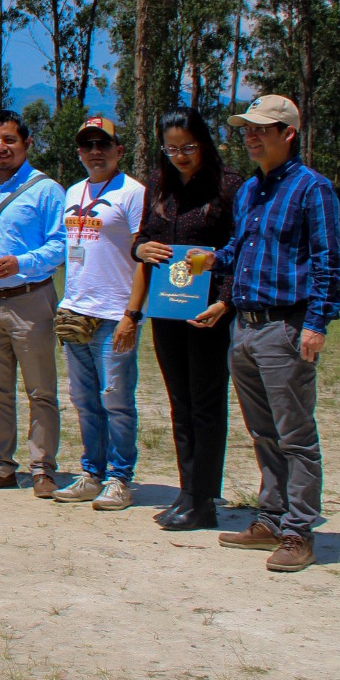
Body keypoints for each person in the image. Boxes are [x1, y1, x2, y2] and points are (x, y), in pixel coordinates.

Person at [195, 95, 340, 573]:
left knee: (295, 433)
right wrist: (214, 259)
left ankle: (299, 531)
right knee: (263, 432)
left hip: (286, 327)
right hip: (246, 326)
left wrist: (317, 324)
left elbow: (328, 261)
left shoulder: (311, 189)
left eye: (262, 128)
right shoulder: (250, 191)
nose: (251, 136)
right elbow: (244, 244)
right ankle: (272, 517)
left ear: (289, 133)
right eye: (247, 129)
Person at [114, 108, 240, 532]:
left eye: (188, 147)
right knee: (180, 404)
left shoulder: (229, 186)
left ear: (203, 142)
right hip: (167, 309)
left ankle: (204, 500)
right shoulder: (159, 182)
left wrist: (224, 300)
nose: (180, 156)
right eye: (172, 149)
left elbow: (241, 249)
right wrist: (140, 250)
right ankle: (187, 493)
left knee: (206, 406)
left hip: (208, 312)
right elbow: (147, 234)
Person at [0, 110, 67, 498]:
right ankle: (2, 466)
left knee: (41, 391)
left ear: (26, 144)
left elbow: (60, 244)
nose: (1, 147)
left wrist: (22, 263)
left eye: (9, 140)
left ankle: (43, 469)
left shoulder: (47, 190)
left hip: (31, 299)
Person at [51, 117, 147, 512]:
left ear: (119, 150)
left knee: (117, 401)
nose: (95, 151)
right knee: (84, 400)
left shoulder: (134, 193)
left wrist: (132, 314)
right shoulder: (74, 191)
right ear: (79, 152)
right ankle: (92, 473)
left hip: (114, 313)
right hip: (77, 311)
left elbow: (145, 257)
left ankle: (120, 478)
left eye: (103, 144)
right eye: (88, 145)